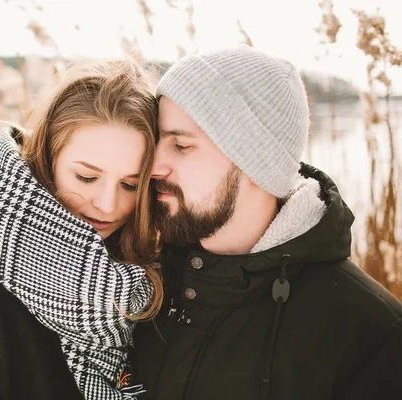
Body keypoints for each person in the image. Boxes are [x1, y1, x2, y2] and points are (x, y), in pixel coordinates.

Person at [130, 46, 402, 399]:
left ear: (255, 165)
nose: (153, 167)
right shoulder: (138, 284)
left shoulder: (371, 335)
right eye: (158, 142)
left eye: (181, 145)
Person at [0, 60, 163, 399]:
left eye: (130, 185)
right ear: (46, 160)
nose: (107, 204)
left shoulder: (153, 283)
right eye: (86, 177)